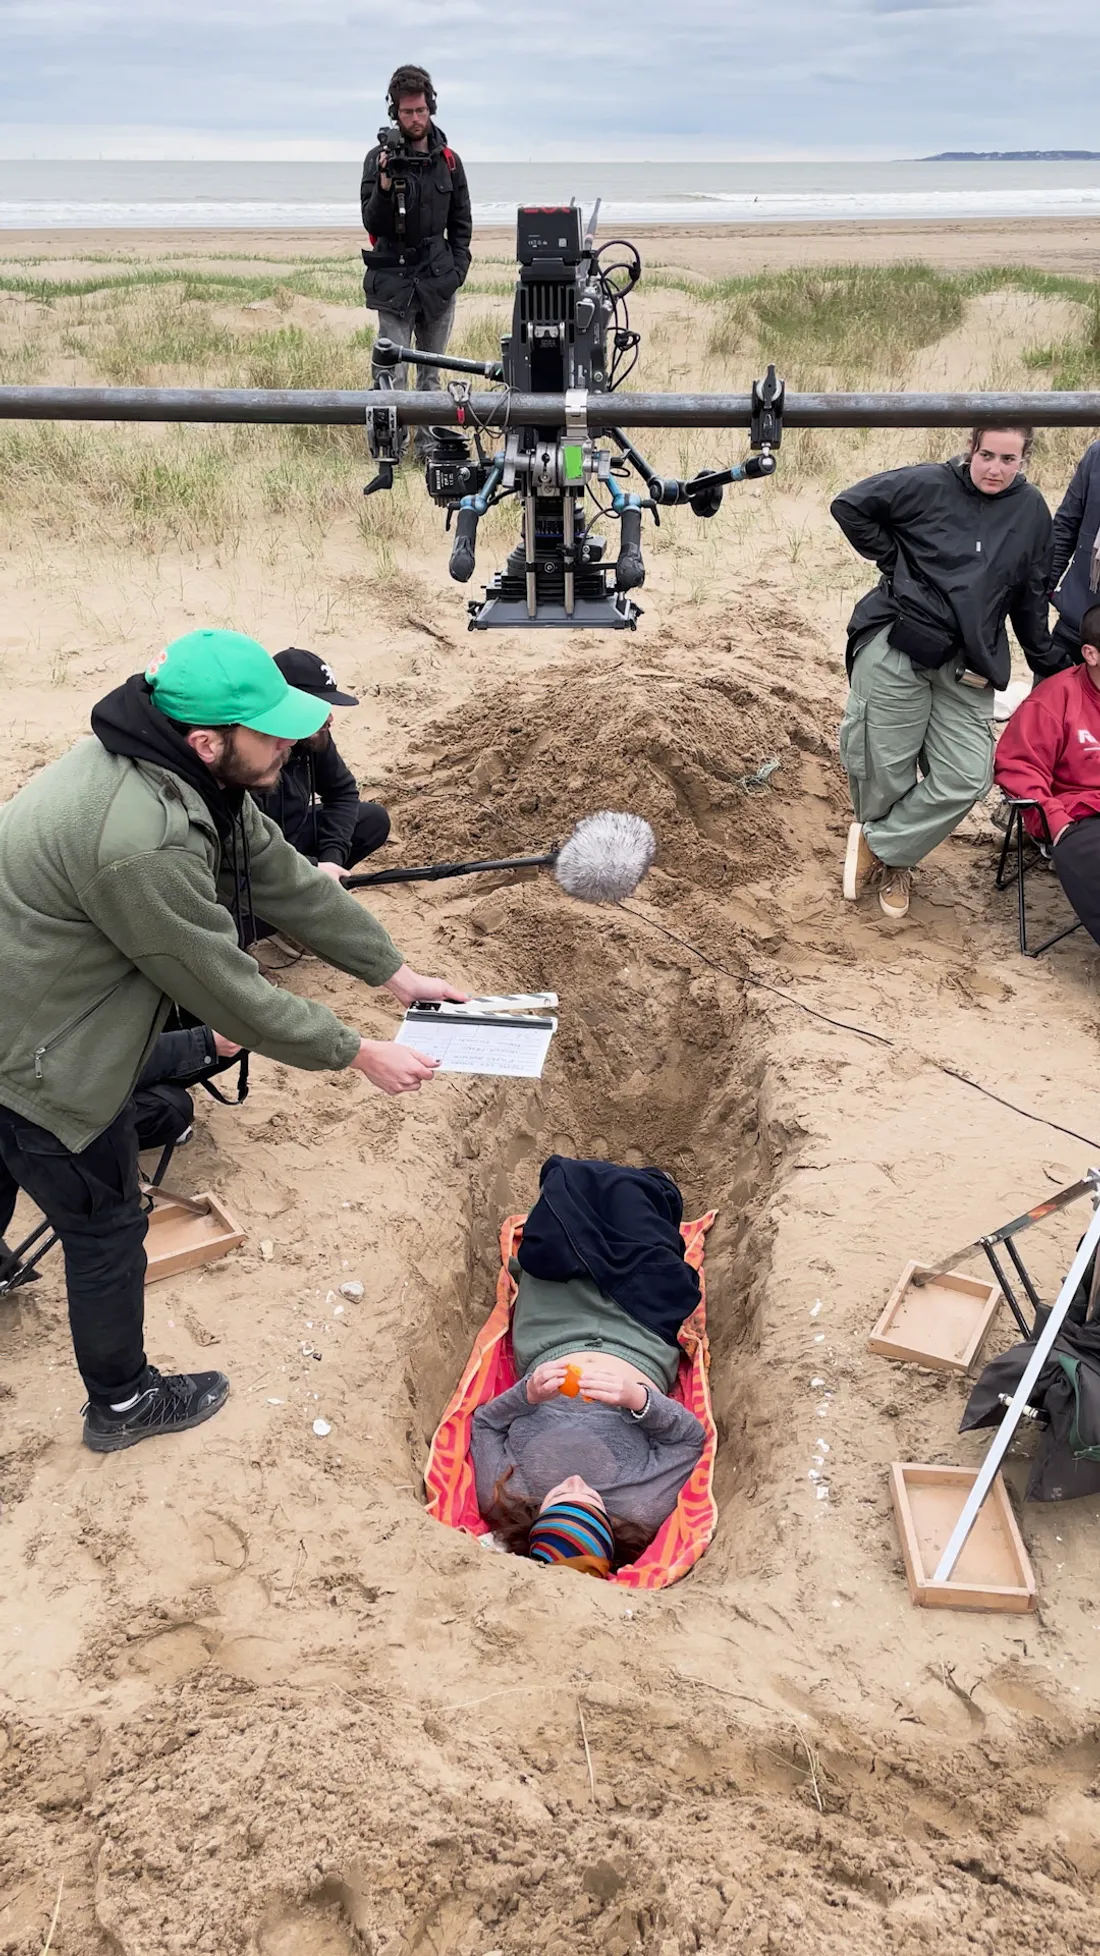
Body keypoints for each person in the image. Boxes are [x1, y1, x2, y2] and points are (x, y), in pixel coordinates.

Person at [0, 628, 465, 1453]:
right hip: (36, 1045)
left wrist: (397, 976)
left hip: (22, 1001)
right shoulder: (142, 841)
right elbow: (227, 990)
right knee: (104, 1225)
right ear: (207, 738)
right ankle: (122, 1405)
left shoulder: (185, 772)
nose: (292, 742)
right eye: (273, 730)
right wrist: (359, 1052)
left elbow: (285, 878)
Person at [834, 426, 1054, 921]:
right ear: (970, 448)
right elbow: (849, 506)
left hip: (970, 661)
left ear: (1024, 460)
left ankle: (883, 845)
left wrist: (1049, 661)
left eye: (1009, 459)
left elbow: (1031, 595)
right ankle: (898, 865)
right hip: (898, 641)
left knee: (966, 775)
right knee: (884, 763)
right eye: (987, 455)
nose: (995, 468)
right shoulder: (927, 484)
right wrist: (899, 565)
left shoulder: (1031, 511)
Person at [470, 1158, 706, 1577]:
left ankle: (602, 1186)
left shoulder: (504, 1497)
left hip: (551, 1330)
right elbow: (687, 1442)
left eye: (561, 1495)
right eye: (593, 1499)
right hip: (639, 1336)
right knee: (643, 1229)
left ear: (536, 1519)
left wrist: (528, 1394)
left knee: (557, 1215)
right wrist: (639, 1400)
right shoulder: (642, 1509)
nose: (578, 1482)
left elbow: (486, 1424)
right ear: (611, 1526)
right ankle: (655, 1187)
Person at [360, 63, 472, 461]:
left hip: (438, 281)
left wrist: (457, 272)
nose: (414, 119)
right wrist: (386, 187)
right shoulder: (378, 159)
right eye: (407, 112)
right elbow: (371, 222)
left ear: (431, 108)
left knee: (431, 374)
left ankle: (428, 448)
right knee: (390, 372)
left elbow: (462, 225)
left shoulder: (449, 161)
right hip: (393, 280)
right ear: (395, 112)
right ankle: (390, 450)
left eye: (420, 111)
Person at [994, 601, 1100, 947]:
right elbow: (1017, 767)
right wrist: (1056, 820)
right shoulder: (1055, 698)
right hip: (1077, 817)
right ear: (1091, 654)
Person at [251, 648, 390, 892]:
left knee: (372, 819)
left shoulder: (312, 734)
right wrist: (310, 868)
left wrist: (330, 859)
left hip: (290, 836)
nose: (329, 718)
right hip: (250, 856)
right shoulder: (250, 754)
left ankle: (316, 887)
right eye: (317, 706)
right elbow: (248, 846)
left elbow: (342, 792)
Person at [1047, 437, 1100, 678]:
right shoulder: (1097, 455)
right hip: (1076, 622)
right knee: (1047, 709)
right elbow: (1065, 527)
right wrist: (1041, 592)